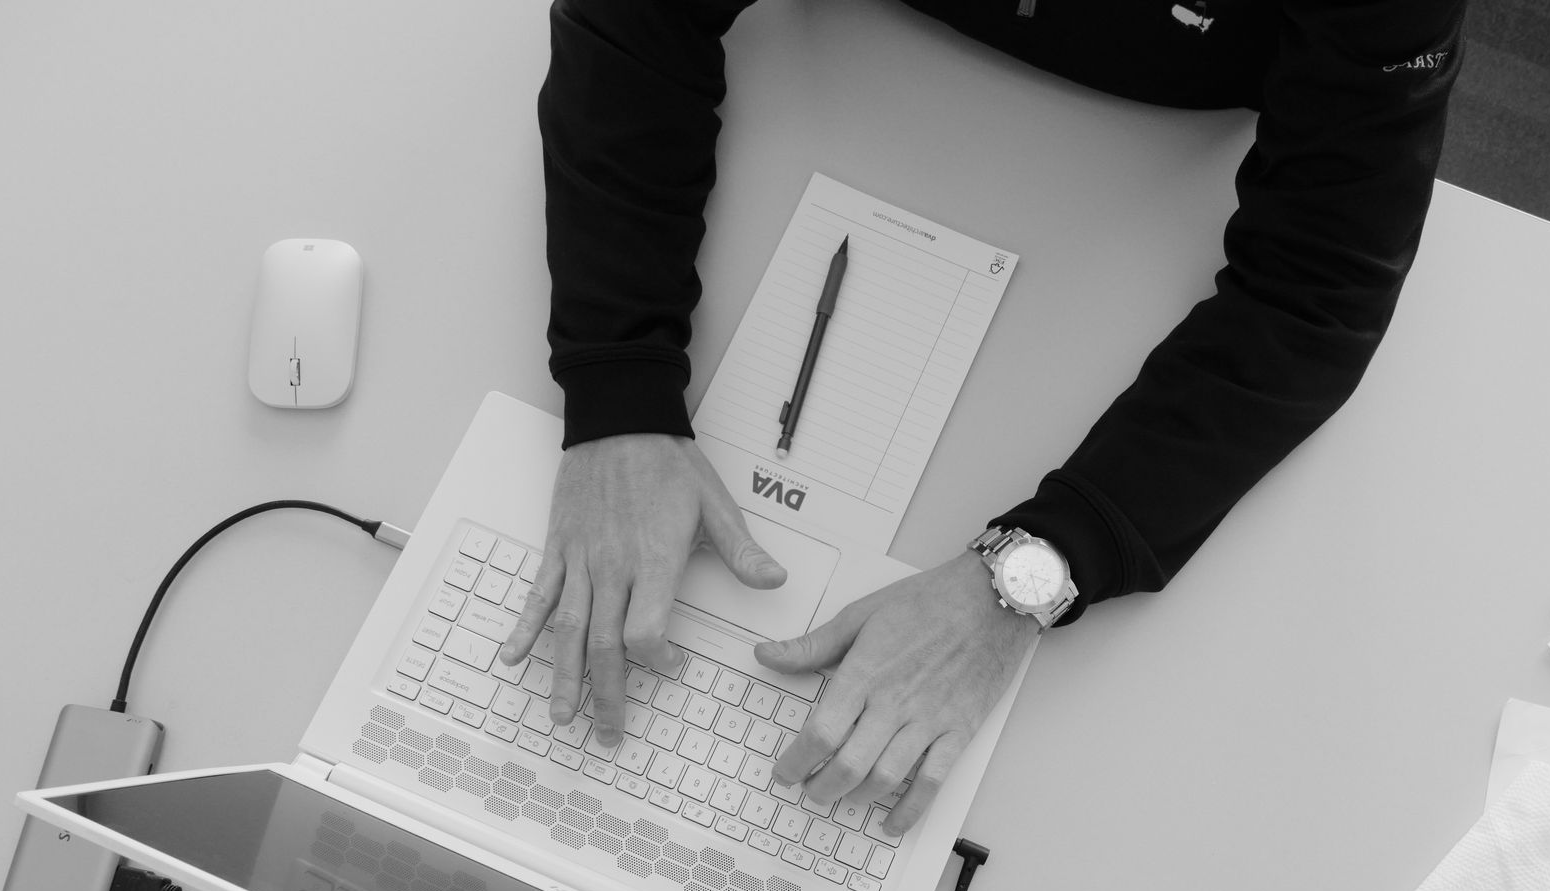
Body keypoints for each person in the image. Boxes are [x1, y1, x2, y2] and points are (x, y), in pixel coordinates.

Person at [499, 0, 1464, 837]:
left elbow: (1317, 288)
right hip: (845, 68)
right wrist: (619, 384)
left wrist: (1036, 568)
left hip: (1148, 157)